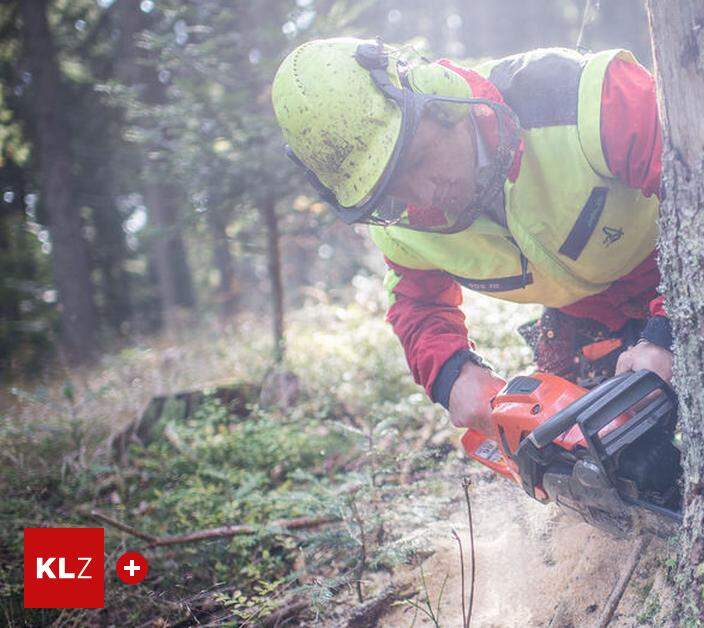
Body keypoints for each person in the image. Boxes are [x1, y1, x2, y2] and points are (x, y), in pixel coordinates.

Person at [271, 38, 672, 436]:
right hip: (588, 316)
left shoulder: (582, 97)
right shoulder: (405, 226)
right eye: (393, 188)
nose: (424, 195)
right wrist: (453, 374)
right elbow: (417, 304)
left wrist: (669, 330)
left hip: (689, 279)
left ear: (440, 96)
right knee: (580, 453)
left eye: (417, 159)